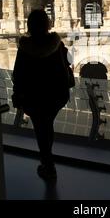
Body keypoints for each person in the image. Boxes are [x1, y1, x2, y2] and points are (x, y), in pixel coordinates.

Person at [12, 9, 72, 180]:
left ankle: (48, 164)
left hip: (34, 96)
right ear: (47, 24)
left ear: (29, 26)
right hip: (55, 94)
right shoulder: (56, 43)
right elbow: (69, 60)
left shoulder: (25, 47)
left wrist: (18, 94)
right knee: (47, 125)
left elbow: (18, 73)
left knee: (41, 129)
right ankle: (48, 162)